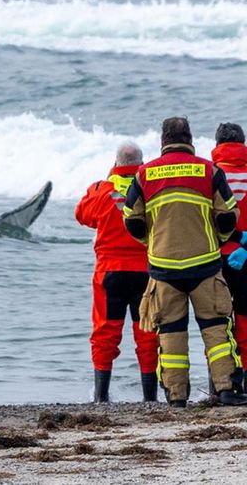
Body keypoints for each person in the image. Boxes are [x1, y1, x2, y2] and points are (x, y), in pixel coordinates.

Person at [124, 117, 246, 406]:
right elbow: (228, 215)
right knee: (217, 328)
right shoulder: (208, 170)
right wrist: (217, 239)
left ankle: (176, 397)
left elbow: (131, 220)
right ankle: (227, 389)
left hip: (163, 267)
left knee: (170, 333)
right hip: (205, 265)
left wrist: (152, 243)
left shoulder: (144, 175)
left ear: (162, 141)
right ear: (190, 139)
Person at [75, 142, 157, 402]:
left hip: (110, 273)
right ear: (142, 162)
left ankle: (101, 396)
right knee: (147, 334)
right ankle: (150, 398)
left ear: (116, 162)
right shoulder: (152, 189)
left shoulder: (101, 190)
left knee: (104, 334)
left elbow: (82, 215)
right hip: (145, 272)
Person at [212, 122, 247, 391]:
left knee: (217, 322)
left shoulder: (209, 174)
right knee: (245, 319)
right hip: (246, 257)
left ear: (217, 146)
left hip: (216, 257)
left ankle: (220, 383)